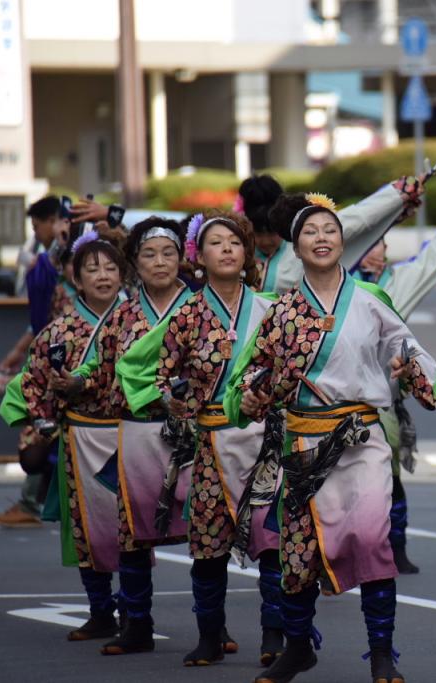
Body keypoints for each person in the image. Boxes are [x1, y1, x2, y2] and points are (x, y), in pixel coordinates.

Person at [226, 192, 436, 683]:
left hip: (359, 441)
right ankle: (299, 648)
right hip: (302, 445)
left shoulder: (370, 300)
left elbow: (411, 351)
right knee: (298, 552)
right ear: (295, 246)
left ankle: (381, 653)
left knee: (371, 539)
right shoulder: (281, 312)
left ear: (343, 242)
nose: (321, 238)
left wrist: (407, 369)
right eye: (310, 232)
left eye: (330, 230)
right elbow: (251, 374)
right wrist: (254, 395)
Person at [116, 211, 280, 667]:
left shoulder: (271, 310)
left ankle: (275, 635)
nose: (226, 249)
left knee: (273, 543)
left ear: (247, 253)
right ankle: (210, 636)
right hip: (208, 443)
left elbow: (289, 370)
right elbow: (160, 374)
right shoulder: (186, 314)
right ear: (199, 257)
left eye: (235, 242)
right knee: (208, 546)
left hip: (263, 442)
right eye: (216, 242)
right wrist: (173, 400)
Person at [70, 216, 197, 655]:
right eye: (149, 254)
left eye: (168, 253)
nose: (160, 262)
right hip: (137, 432)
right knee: (133, 532)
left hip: (192, 432)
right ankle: (137, 623)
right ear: (135, 264)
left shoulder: (201, 309)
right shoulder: (123, 316)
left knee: (208, 531)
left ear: (182, 259)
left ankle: (213, 630)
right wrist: (76, 381)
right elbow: (102, 369)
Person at [0, 231, 128, 639]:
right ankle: (101, 610)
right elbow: (33, 382)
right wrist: (41, 421)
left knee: (134, 528)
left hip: (130, 435)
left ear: (123, 275)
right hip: (80, 439)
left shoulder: (139, 323)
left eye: (110, 268)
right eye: (92, 269)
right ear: (76, 278)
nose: (103, 276)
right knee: (86, 529)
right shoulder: (59, 330)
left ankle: (135, 611)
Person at [351, 185, 436, 574]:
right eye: (367, 241)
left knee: (389, 479)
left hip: (379, 402)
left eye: (380, 241)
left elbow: (434, 257)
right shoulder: (331, 285)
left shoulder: (395, 284)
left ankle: (397, 546)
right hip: (329, 405)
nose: (374, 248)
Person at [0, 195, 73, 528]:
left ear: (54, 221)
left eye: (37, 226)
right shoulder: (51, 262)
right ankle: (34, 500)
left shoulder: (69, 261)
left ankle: (32, 501)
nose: (36, 233)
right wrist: (19, 351)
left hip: (73, 364)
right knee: (45, 431)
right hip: (53, 361)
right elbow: (43, 322)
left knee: (45, 430)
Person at [239, 174, 426, 294]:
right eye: (259, 232)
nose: (266, 240)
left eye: (272, 232)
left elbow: (360, 217)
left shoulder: (304, 240)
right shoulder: (237, 250)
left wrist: (400, 193)